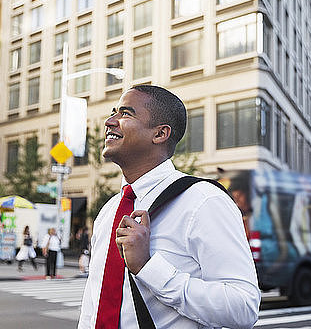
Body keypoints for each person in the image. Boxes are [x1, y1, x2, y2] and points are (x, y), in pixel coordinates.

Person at [78, 85, 261, 329]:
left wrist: (147, 267)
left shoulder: (204, 201)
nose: (110, 121)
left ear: (160, 134)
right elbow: (93, 304)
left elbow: (243, 308)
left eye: (125, 113)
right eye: (113, 113)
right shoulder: (109, 211)